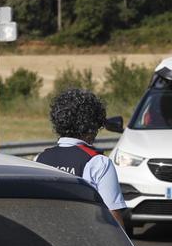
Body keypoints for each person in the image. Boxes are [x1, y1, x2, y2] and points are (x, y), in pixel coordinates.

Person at [35, 88, 127, 227]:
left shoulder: (39, 159)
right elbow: (113, 220)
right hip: (83, 241)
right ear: (91, 127)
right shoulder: (99, 163)